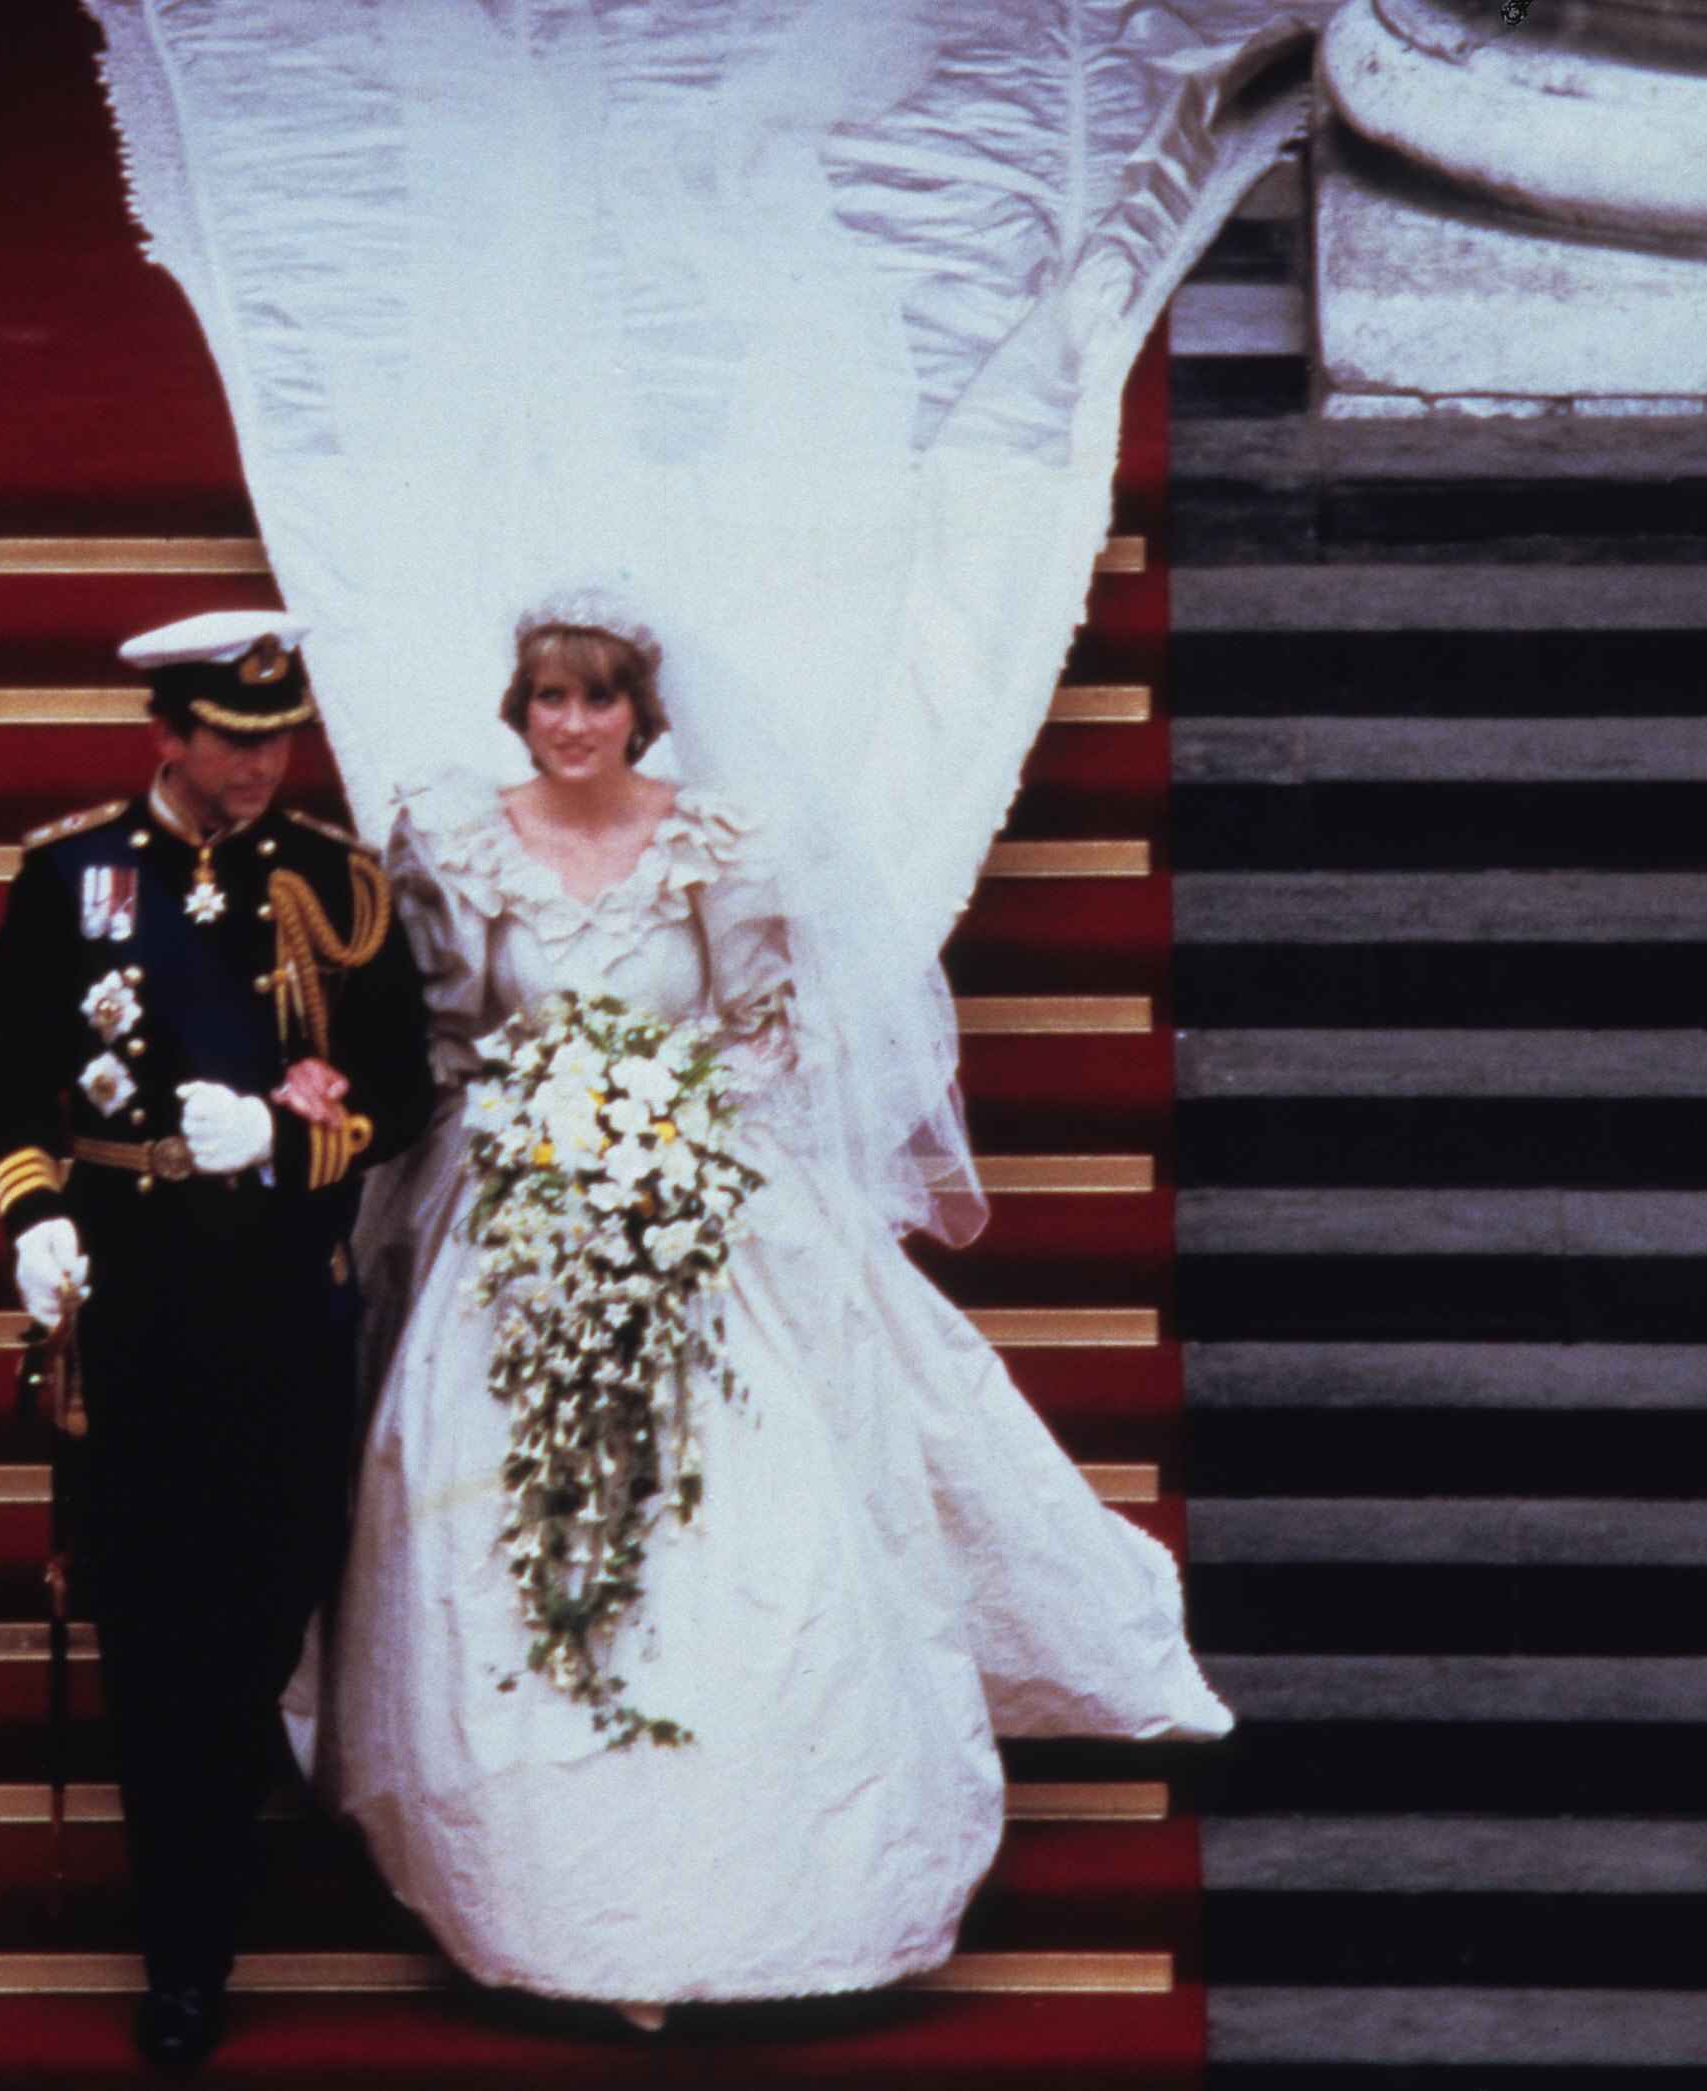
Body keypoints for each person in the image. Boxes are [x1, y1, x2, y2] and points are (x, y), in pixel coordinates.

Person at [295, 600, 1234, 2021]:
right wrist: (545, 1135)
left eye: (595, 700)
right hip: (514, 1213)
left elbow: (758, 1028)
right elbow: (447, 1036)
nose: (569, 724)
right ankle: (557, 1902)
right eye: (546, 699)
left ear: (638, 711)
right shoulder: (457, 840)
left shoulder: (715, 844)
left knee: (745, 1532)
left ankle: (759, 1885)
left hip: (695, 1201)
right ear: (517, 707)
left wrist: (660, 1138)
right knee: (501, 1526)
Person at [0, 608, 435, 2072]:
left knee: (259, 1616)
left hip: (282, 1309)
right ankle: (186, 1951)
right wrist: (33, 1222)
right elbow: (6, 1098)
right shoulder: (72, 878)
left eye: (278, 736)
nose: (259, 764)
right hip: (134, 1307)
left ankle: (208, 1882)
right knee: (152, 1635)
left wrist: (288, 1156)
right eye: (232, 740)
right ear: (164, 732)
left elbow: (405, 1097)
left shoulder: (337, 887)